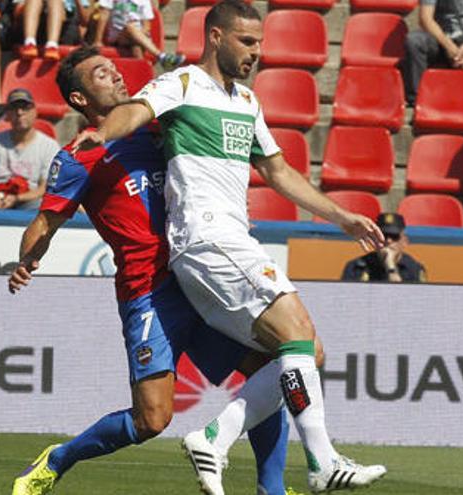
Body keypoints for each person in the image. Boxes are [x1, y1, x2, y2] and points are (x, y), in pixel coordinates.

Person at [71, 1, 388, 492]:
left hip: (233, 240)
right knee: (298, 330)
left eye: (260, 42)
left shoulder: (246, 102)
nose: (257, 52)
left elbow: (278, 171)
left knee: (305, 352)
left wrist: (340, 215)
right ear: (215, 37)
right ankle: (320, 462)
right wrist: (97, 134)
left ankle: (216, 439)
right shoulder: (181, 84)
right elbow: (134, 112)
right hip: (205, 238)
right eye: (246, 41)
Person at [8, 47, 293, 495]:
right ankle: (58, 458)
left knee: (268, 369)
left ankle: (271, 489)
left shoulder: (161, 126)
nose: (117, 76)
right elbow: (46, 221)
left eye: (115, 68)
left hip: (200, 274)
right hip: (148, 292)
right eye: (102, 74)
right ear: (81, 99)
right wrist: (27, 259)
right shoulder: (77, 157)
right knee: (152, 420)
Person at [0, 88, 60, 210]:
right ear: (7, 114)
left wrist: (17, 199)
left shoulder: (49, 146)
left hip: (29, 202)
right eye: (14, 108)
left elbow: (45, 187)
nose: (19, 112)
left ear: (35, 112)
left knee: (44, 205)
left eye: (25, 108)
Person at [93, 0, 185, 70]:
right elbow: (104, 15)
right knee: (130, 27)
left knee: (136, 46)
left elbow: (146, 26)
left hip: (137, 36)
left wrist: (138, 35)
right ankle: (161, 56)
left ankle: (143, 79)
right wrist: (98, 40)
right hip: (117, 36)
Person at [342, 212, 427, 283]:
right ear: (375, 239)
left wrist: (391, 267)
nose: (388, 241)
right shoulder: (356, 267)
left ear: (405, 241)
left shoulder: (414, 269)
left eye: (394, 236)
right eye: (383, 236)